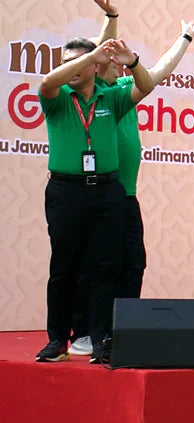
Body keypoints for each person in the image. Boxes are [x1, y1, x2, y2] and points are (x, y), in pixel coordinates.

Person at [68, 0, 194, 358]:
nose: (113, 62)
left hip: (125, 196)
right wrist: (112, 16)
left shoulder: (123, 92)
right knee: (95, 265)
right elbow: (97, 52)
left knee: (133, 262)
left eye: (115, 60)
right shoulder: (96, 93)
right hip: (101, 192)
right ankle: (84, 331)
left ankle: (122, 328)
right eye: (108, 60)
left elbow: (159, 71)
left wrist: (185, 39)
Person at [35, 36, 152, 364]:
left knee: (105, 268)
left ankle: (101, 340)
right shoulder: (58, 97)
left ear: (96, 66)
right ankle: (58, 339)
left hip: (106, 191)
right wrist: (87, 57)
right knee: (64, 268)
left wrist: (132, 61)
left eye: (80, 61)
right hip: (65, 192)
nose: (70, 67)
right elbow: (46, 81)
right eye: (66, 61)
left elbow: (145, 86)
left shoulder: (111, 96)